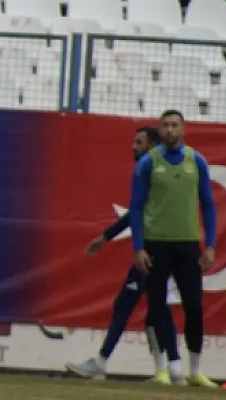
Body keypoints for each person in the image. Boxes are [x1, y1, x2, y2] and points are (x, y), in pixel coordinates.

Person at [65, 126, 173, 383]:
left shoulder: (153, 172)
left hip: (151, 251)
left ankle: (102, 363)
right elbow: (135, 213)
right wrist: (105, 237)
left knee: (128, 305)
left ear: (152, 146)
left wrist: (105, 237)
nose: (133, 147)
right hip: (158, 250)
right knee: (157, 312)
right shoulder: (154, 171)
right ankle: (167, 371)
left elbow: (134, 214)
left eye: (139, 143)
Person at [127, 110, 218, 388]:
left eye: (174, 125)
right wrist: (139, 247)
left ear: (184, 129)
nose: (169, 130)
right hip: (156, 244)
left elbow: (209, 204)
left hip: (187, 243)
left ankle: (195, 369)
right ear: (160, 130)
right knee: (156, 307)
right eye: (165, 125)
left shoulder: (196, 161)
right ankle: (161, 368)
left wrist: (210, 244)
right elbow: (137, 207)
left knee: (193, 306)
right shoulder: (147, 163)